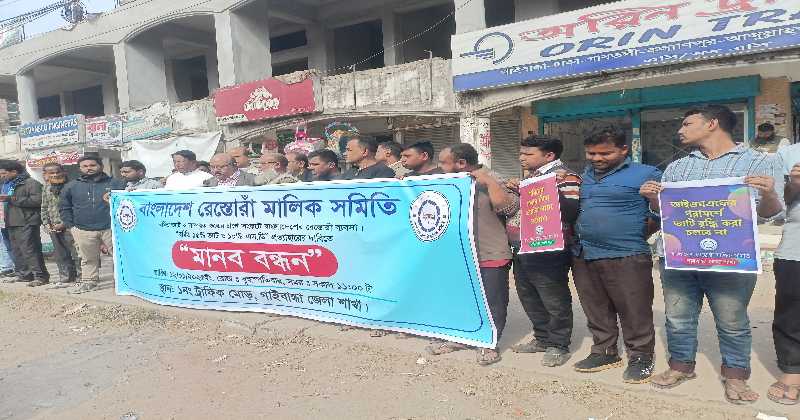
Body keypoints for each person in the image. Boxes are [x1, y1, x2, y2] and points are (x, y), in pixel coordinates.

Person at [640, 105, 784, 403]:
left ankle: (735, 376)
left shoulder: (758, 162)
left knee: (732, 321)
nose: (680, 130)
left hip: (730, 258)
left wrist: (769, 193)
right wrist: (654, 199)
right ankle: (681, 366)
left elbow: (770, 214)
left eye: (687, 123)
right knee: (678, 317)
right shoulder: (678, 167)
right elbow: (665, 213)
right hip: (679, 257)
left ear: (712, 124)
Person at [571, 128, 661, 384]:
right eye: (591, 153)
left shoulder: (647, 174)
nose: (597, 158)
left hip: (626, 254)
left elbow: (662, 213)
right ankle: (604, 351)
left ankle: (641, 356)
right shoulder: (584, 176)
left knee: (634, 309)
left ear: (624, 150)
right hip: (584, 252)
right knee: (596, 307)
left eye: (605, 153)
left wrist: (652, 203)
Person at [426, 143, 518, 365]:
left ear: (461, 163)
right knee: (462, 298)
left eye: (444, 162)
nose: (439, 166)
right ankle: (462, 337)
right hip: (458, 254)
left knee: (492, 301)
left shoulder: (492, 178)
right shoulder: (446, 181)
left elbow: (508, 208)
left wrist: (489, 183)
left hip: (489, 251)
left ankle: (488, 343)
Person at [507, 136, 580, 367]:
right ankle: (542, 338)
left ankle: (558, 345)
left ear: (549, 155)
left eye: (528, 154)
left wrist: (549, 189)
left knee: (553, 298)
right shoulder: (531, 176)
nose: (522, 158)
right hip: (523, 245)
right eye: (521, 153)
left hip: (548, 248)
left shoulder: (565, 176)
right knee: (528, 294)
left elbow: (571, 212)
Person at [59, 156, 126, 294]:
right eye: (85, 166)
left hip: (111, 228)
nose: (88, 168)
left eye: (92, 165)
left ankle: (123, 282)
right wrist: (71, 226)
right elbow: (64, 207)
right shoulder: (71, 186)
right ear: (80, 168)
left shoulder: (116, 183)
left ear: (101, 166)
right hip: (83, 229)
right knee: (88, 258)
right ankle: (89, 282)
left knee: (120, 256)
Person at [768, 143, 800, 405]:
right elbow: (778, 205)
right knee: (791, 311)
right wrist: (795, 183)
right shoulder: (789, 154)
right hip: (796, 245)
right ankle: (792, 370)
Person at [0, 160, 49, 286]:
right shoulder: (7, 184)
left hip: (27, 221)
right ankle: (24, 275)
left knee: (30, 250)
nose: (2, 176)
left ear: (14, 172)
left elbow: (38, 201)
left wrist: (12, 199)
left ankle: (40, 276)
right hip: (10, 221)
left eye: (4, 173)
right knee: (17, 250)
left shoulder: (31, 183)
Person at [41, 163, 81, 288]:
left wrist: (64, 223)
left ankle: (81, 277)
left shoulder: (72, 186)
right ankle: (66, 278)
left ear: (63, 172)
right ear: (45, 175)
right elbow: (44, 207)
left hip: (71, 225)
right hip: (53, 226)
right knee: (60, 253)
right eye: (51, 173)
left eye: (57, 172)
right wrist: (46, 224)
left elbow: (76, 207)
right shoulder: (46, 188)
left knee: (76, 252)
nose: (55, 175)